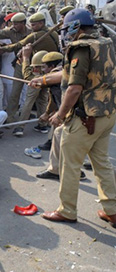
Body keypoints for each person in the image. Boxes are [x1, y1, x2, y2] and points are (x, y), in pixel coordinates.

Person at [41, 9, 116, 228]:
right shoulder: (105, 43)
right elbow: (74, 75)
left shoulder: (80, 48)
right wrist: (44, 79)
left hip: (85, 119)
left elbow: (74, 88)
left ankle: (67, 210)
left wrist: (59, 114)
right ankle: (112, 210)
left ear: (76, 27)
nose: (65, 34)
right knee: (101, 163)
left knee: (70, 165)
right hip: (107, 114)